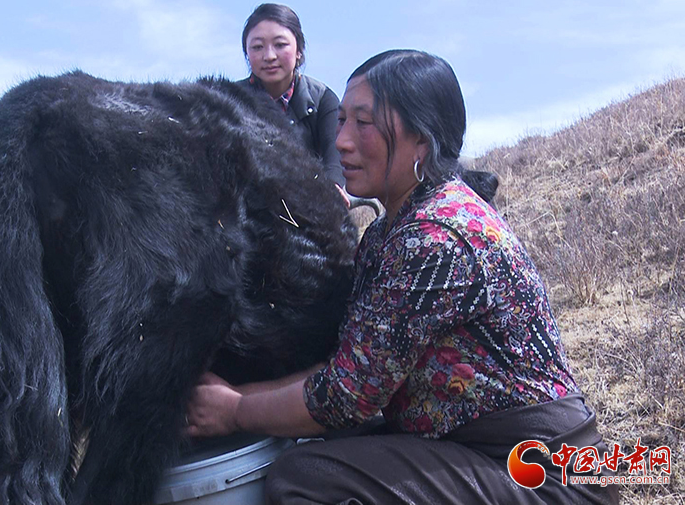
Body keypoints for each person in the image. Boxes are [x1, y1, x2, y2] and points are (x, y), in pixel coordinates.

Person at [187, 49, 619, 504]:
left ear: (422, 141)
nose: (342, 141)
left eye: (364, 123)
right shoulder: (388, 233)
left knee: (305, 477)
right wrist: (236, 395)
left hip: (541, 473)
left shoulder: (436, 237)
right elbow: (349, 366)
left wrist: (237, 411)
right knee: (326, 444)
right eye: (342, 121)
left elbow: (346, 396)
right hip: (478, 453)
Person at [238, 3, 344, 187]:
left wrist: (332, 188)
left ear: (299, 50)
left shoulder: (322, 99)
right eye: (257, 47)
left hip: (307, 197)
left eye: (280, 45)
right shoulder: (227, 98)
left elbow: (336, 152)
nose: (269, 56)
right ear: (247, 54)